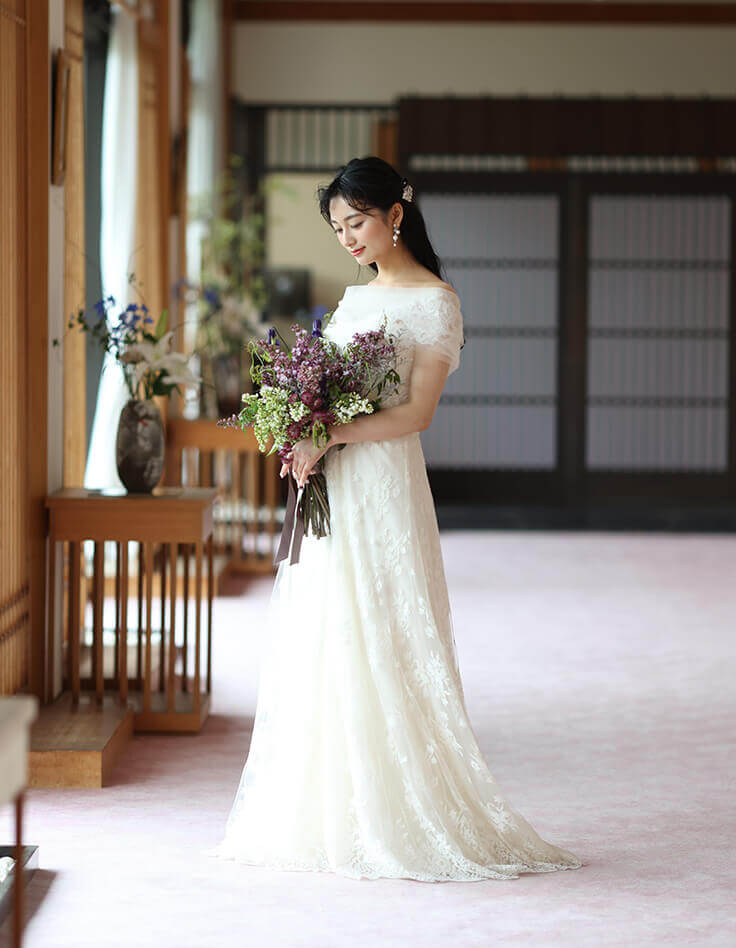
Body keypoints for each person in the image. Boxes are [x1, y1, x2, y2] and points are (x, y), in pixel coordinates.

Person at [206, 157, 583, 882]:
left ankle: (399, 808)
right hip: (337, 477)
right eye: (338, 228)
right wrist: (303, 437)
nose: (347, 238)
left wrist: (330, 434)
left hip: (383, 482)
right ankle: (333, 802)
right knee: (329, 623)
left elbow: (416, 413)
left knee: (382, 621)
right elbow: (329, 394)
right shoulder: (353, 301)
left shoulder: (435, 301)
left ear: (394, 215)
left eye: (357, 222)